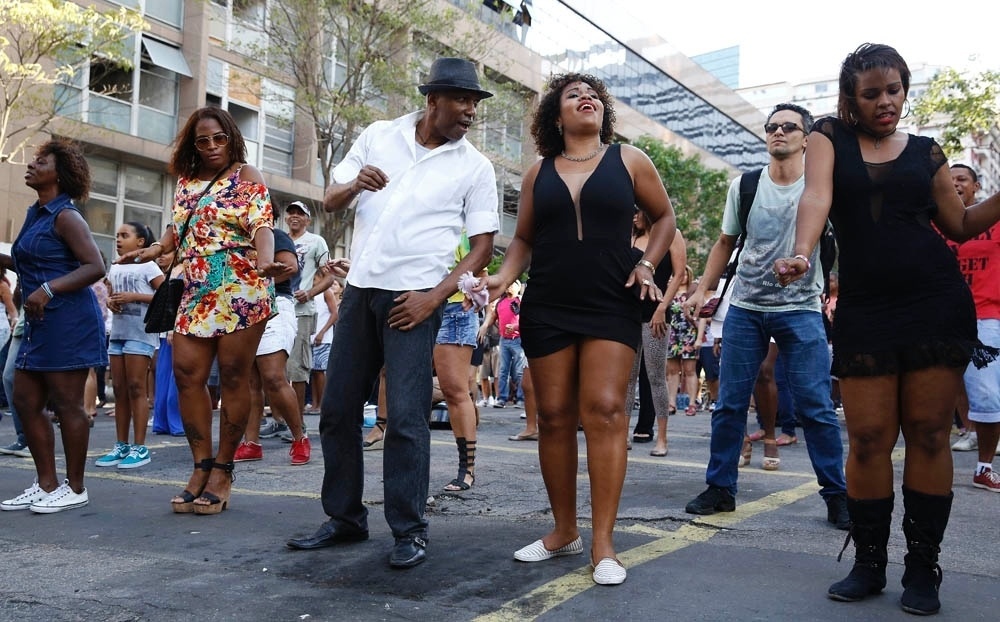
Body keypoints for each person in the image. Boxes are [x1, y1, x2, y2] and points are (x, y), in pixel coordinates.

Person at [773, 44, 1000, 615]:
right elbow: (817, 196)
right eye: (872, 93)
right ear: (851, 96)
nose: (886, 102)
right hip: (867, 307)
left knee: (928, 433)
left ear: (904, 89)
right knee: (869, 436)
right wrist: (802, 253)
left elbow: (961, 224)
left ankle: (923, 566)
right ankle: (869, 563)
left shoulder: (927, 153)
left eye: (894, 90)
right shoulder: (828, 137)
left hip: (934, 301)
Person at [285, 57, 498, 570]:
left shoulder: (475, 166)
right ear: (433, 100)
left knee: (405, 417)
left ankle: (409, 529)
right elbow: (331, 200)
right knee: (337, 411)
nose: (470, 110)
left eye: (474, 102)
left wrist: (436, 296)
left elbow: (483, 247)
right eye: (461, 99)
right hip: (359, 291)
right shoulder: (379, 135)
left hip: (415, 298)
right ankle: (344, 519)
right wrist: (357, 182)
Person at [485, 72, 675, 586]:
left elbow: (664, 219)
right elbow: (523, 238)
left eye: (592, 94)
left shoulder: (629, 159)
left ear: (602, 111)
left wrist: (645, 264)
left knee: (607, 411)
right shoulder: (536, 172)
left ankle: (604, 542)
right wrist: (502, 278)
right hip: (548, 302)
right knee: (554, 415)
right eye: (573, 95)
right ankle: (563, 530)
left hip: (611, 300)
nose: (585, 98)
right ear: (556, 114)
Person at [682, 102, 849, 531]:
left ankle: (837, 495)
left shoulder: (821, 185)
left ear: (806, 139)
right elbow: (725, 242)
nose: (778, 133)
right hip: (746, 309)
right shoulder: (746, 185)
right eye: (772, 127)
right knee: (730, 404)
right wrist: (703, 288)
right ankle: (720, 488)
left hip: (802, 309)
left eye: (788, 128)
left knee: (816, 405)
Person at [119, 106, 286, 515]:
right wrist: (156, 249)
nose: (211, 146)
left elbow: (262, 224)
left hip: (240, 283)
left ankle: (224, 470)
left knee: (232, 375)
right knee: (187, 373)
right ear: (192, 145)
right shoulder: (187, 182)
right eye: (202, 140)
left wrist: (266, 260)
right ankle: (200, 465)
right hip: (194, 287)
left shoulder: (247, 176)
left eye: (219, 138)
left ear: (231, 137)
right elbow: (179, 228)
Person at [0, 139, 107, 513]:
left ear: (58, 174)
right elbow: (34, 262)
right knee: (25, 399)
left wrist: (47, 289)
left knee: (67, 404)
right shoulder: (36, 213)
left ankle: (75, 487)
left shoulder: (67, 216)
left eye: (40, 162)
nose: (31, 165)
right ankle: (46, 484)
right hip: (40, 322)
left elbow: (95, 266)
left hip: (70, 321)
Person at [943, 164, 1000, 489]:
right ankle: (960, 438)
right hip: (940, 318)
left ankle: (983, 466)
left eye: (961, 179)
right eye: (949, 181)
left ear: (976, 187)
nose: (955, 184)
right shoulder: (934, 224)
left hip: (985, 318)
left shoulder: (994, 221)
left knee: (988, 395)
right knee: (943, 391)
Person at [234, 227, 310, 465]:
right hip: (243, 308)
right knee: (250, 382)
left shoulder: (275, 234)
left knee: (274, 377)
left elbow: (290, 267)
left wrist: (254, 281)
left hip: (275, 304)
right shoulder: (234, 238)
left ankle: (300, 438)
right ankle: (251, 443)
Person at [94, 222, 164, 469]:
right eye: (117, 236)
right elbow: (112, 295)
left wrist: (135, 297)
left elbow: (165, 295)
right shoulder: (114, 268)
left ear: (141, 242)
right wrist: (113, 303)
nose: (119, 240)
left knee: (136, 387)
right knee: (121, 389)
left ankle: (140, 447)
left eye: (125, 235)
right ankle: (121, 445)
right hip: (119, 333)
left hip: (141, 334)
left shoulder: (149, 265)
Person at [629, 213, 686, 453]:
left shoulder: (671, 234)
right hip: (627, 314)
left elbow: (679, 273)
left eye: (637, 211)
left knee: (655, 376)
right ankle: (622, 435)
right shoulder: (631, 236)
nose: (633, 216)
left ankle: (662, 438)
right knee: (626, 379)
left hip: (656, 315)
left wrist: (663, 307)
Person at [284, 201, 334, 420]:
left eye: (300, 213)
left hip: (302, 312)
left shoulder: (316, 241)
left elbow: (330, 276)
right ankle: (278, 420)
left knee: (297, 368)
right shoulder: (279, 240)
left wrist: (310, 293)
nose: (294, 216)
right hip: (277, 310)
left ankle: (297, 424)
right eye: (291, 213)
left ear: (308, 220)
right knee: (273, 369)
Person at [306, 279, 340, 415]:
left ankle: (322, 404)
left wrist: (322, 332)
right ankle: (315, 403)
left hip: (323, 338)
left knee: (320, 371)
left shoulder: (326, 292)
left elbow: (334, 314)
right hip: (311, 337)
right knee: (314, 372)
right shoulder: (309, 291)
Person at [493, 281, 525, 408]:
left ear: (518, 287)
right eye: (508, 284)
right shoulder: (500, 302)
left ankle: (521, 398)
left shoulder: (520, 301)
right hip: (504, 340)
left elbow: (527, 319)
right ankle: (502, 398)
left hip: (518, 339)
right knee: (503, 371)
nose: (509, 286)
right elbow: (496, 319)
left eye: (513, 284)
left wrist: (515, 327)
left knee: (519, 371)